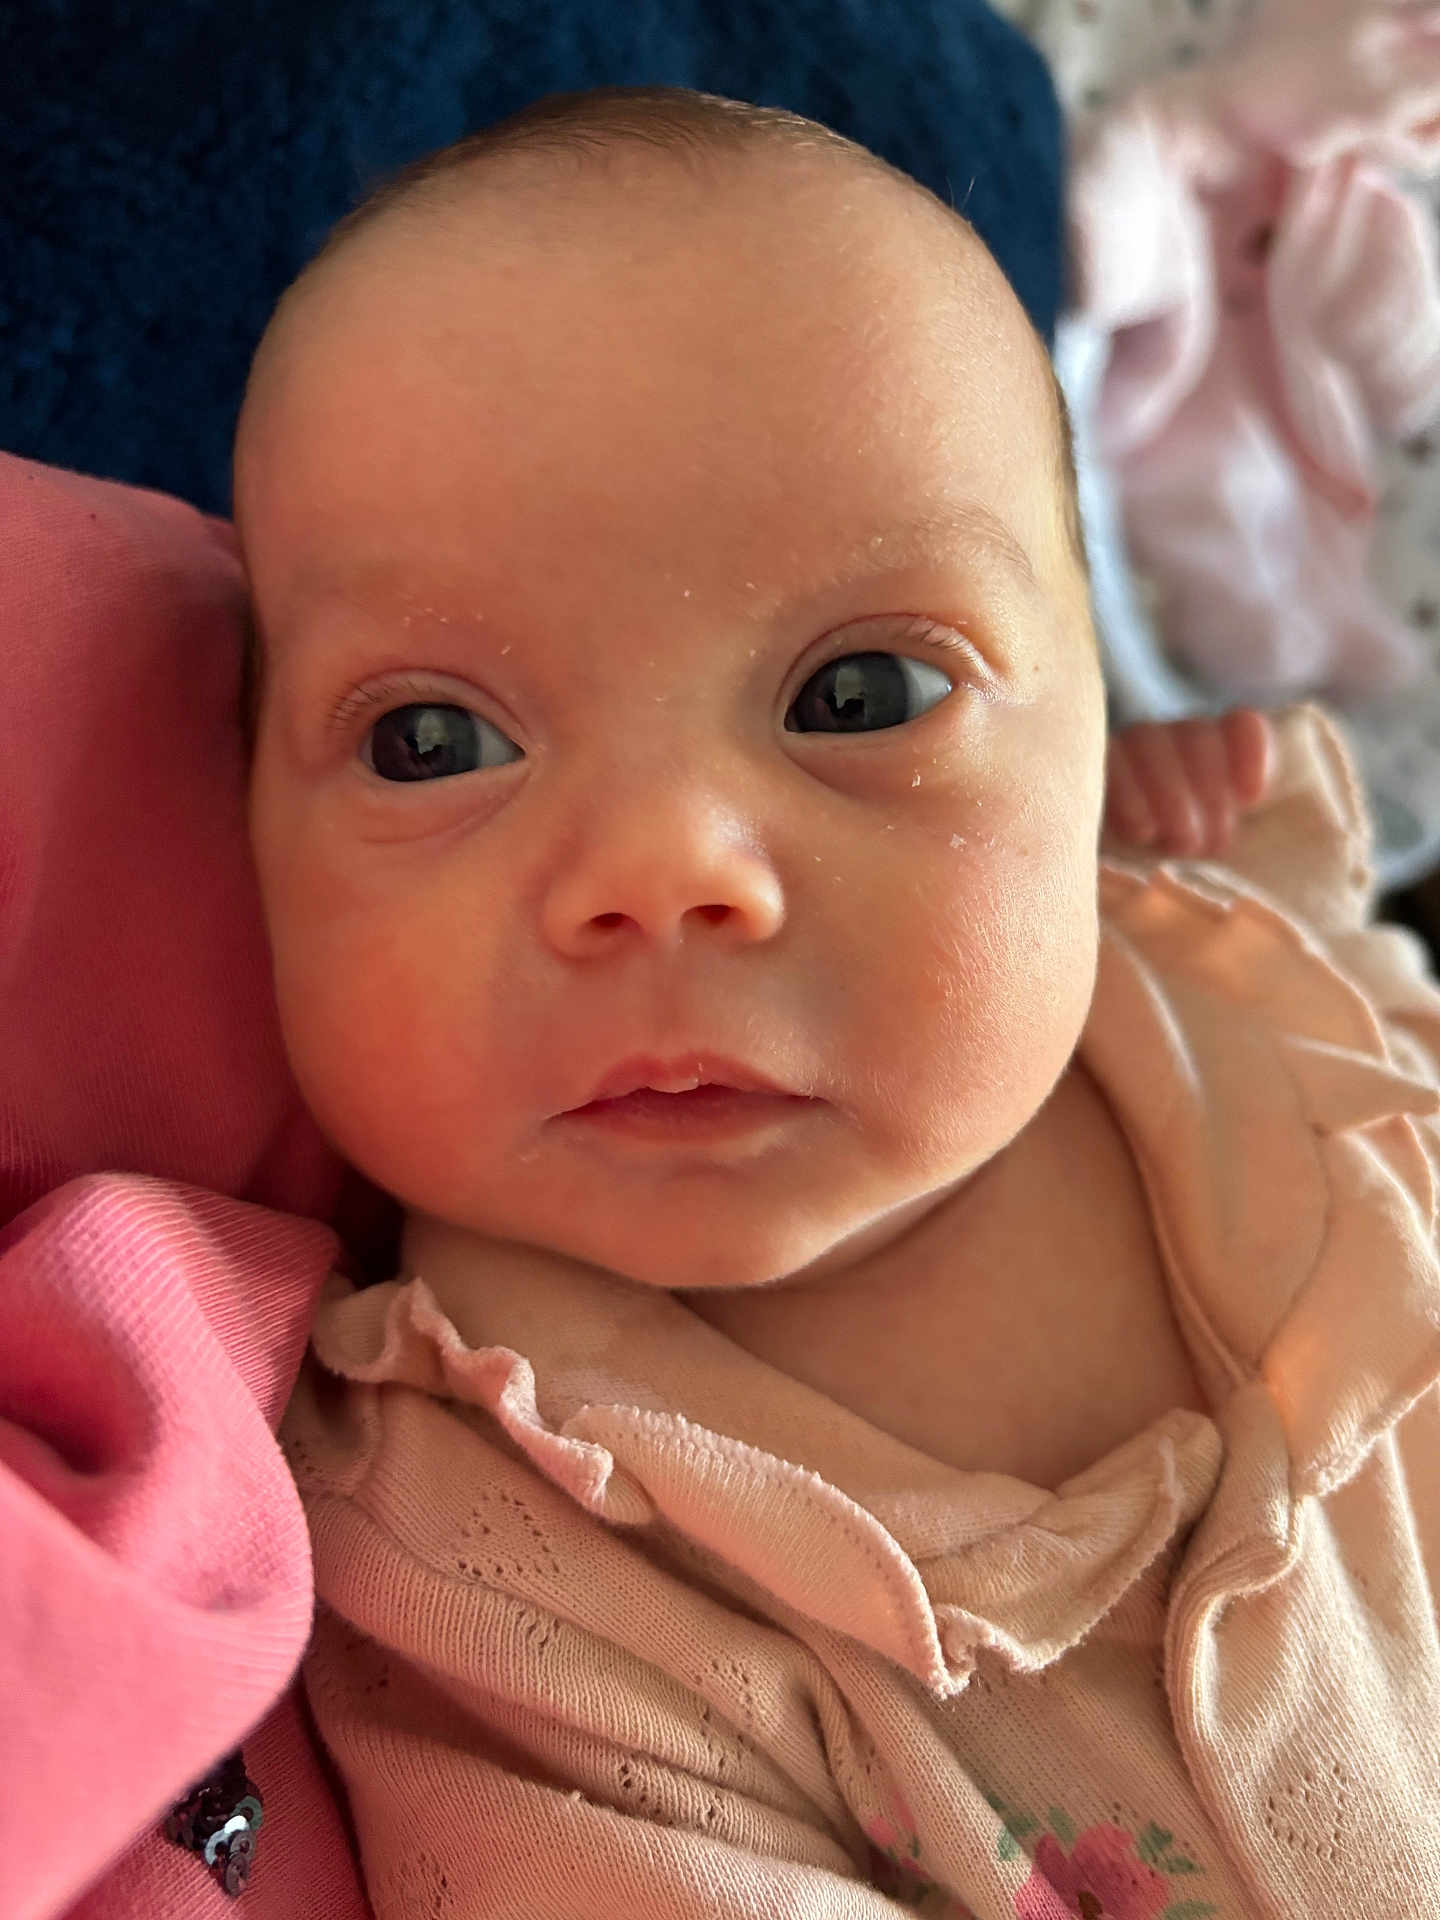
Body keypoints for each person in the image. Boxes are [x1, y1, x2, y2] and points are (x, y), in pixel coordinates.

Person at [232, 84, 1440, 1918]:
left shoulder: (1254, 1009)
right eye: (432, 741)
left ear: (1092, 736)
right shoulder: (483, 1556)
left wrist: (1196, 846)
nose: (662, 872)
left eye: (862, 698)